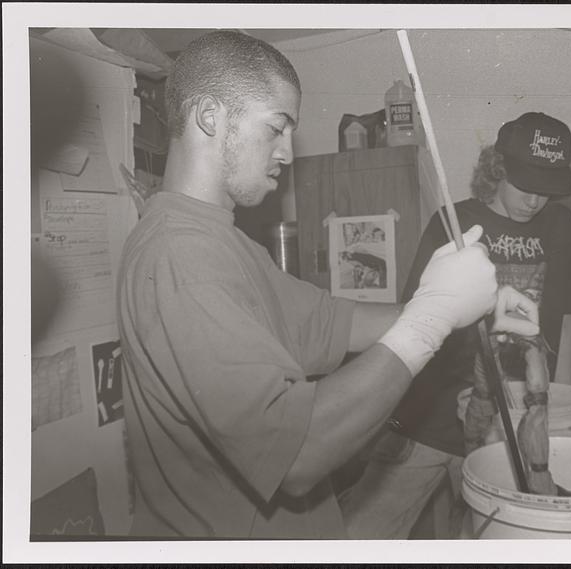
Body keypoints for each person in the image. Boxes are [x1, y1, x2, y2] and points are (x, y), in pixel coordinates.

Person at [116, 30, 538, 539]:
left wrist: (463, 301)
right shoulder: (180, 254)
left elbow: (338, 323)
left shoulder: (227, 246)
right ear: (210, 117)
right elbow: (297, 452)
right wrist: (432, 316)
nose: (288, 153)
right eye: (277, 127)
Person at [340, 111, 571, 539]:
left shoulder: (561, 226)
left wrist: (561, 409)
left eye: (547, 191)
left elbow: (566, 320)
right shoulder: (453, 224)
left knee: (502, 541)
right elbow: (415, 321)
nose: (535, 201)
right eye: (525, 185)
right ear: (497, 170)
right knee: (359, 536)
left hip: (515, 428)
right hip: (431, 419)